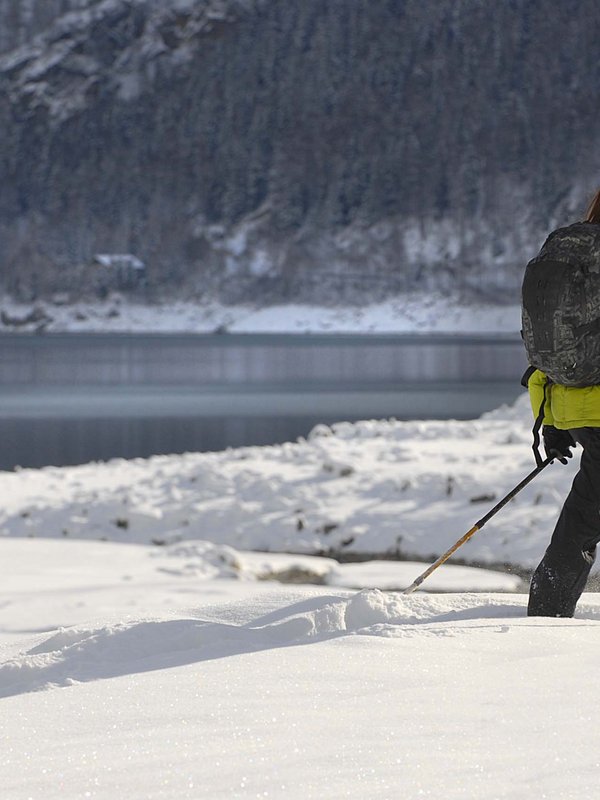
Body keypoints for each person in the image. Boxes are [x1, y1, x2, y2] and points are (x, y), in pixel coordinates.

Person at [526, 188, 600, 617]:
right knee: (583, 523)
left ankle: (547, 614)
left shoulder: (570, 252)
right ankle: (545, 624)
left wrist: (553, 423)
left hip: (576, 412)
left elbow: (541, 351)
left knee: (584, 517)